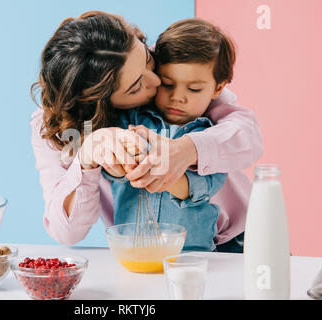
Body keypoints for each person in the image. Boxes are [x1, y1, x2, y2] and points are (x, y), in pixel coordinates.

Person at [30, 11, 263, 252]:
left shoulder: (175, 69)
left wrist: (187, 149)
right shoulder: (56, 127)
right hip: (146, 249)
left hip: (236, 239)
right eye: (135, 87)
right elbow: (66, 232)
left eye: (146, 58)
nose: (157, 81)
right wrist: (86, 157)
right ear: (100, 104)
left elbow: (249, 137)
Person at [102, 18, 239, 251]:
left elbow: (198, 189)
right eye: (167, 84)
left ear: (218, 88)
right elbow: (109, 169)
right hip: (133, 249)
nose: (178, 97)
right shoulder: (131, 120)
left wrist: (159, 171)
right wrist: (124, 158)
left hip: (191, 252)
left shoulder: (213, 139)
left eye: (194, 89)